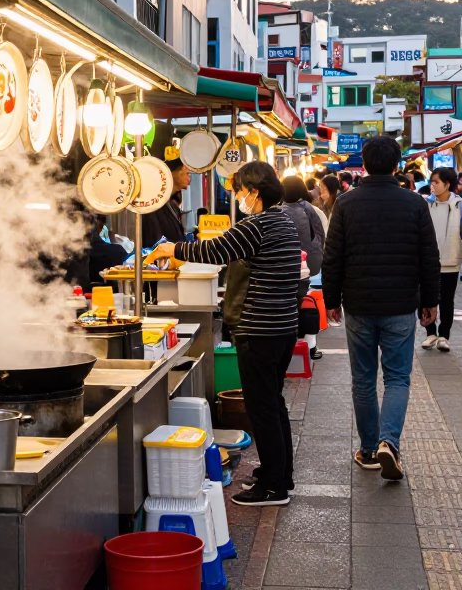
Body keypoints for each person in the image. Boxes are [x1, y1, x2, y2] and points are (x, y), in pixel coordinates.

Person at [146, 161, 301, 506]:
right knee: (272, 404)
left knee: (263, 406)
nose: (238, 198)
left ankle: (275, 486)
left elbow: (214, 250)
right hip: (281, 327)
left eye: (239, 191)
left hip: (261, 329)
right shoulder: (282, 222)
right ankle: (279, 474)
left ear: (254, 192)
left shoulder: (259, 225)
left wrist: (171, 249)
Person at [322, 136, 440, 482]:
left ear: (364, 163)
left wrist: (331, 300)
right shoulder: (414, 203)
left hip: (358, 302)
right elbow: (428, 256)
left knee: (363, 379)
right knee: (398, 377)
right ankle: (390, 442)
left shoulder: (346, 203)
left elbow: (333, 256)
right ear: (395, 165)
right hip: (402, 303)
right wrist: (430, 301)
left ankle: (370, 448)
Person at [422, 167, 462, 352]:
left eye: (436, 182)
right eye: (431, 182)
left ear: (447, 184)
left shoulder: (460, 205)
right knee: (427, 298)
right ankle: (430, 333)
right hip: (428, 261)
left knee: (447, 300)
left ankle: (444, 335)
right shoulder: (426, 204)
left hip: (450, 260)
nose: (432, 186)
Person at [282, 176, 328, 360]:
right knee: (306, 302)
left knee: (290, 306)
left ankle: (292, 344)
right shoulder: (314, 210)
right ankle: (310, 345)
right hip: (310, 267)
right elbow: (322, 236)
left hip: (284, 268)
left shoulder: (278, 211)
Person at [140, 158, 190, 244]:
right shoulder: (153, 206)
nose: (189, 179)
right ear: (173, 173)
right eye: (187, 174)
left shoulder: (172, 205)